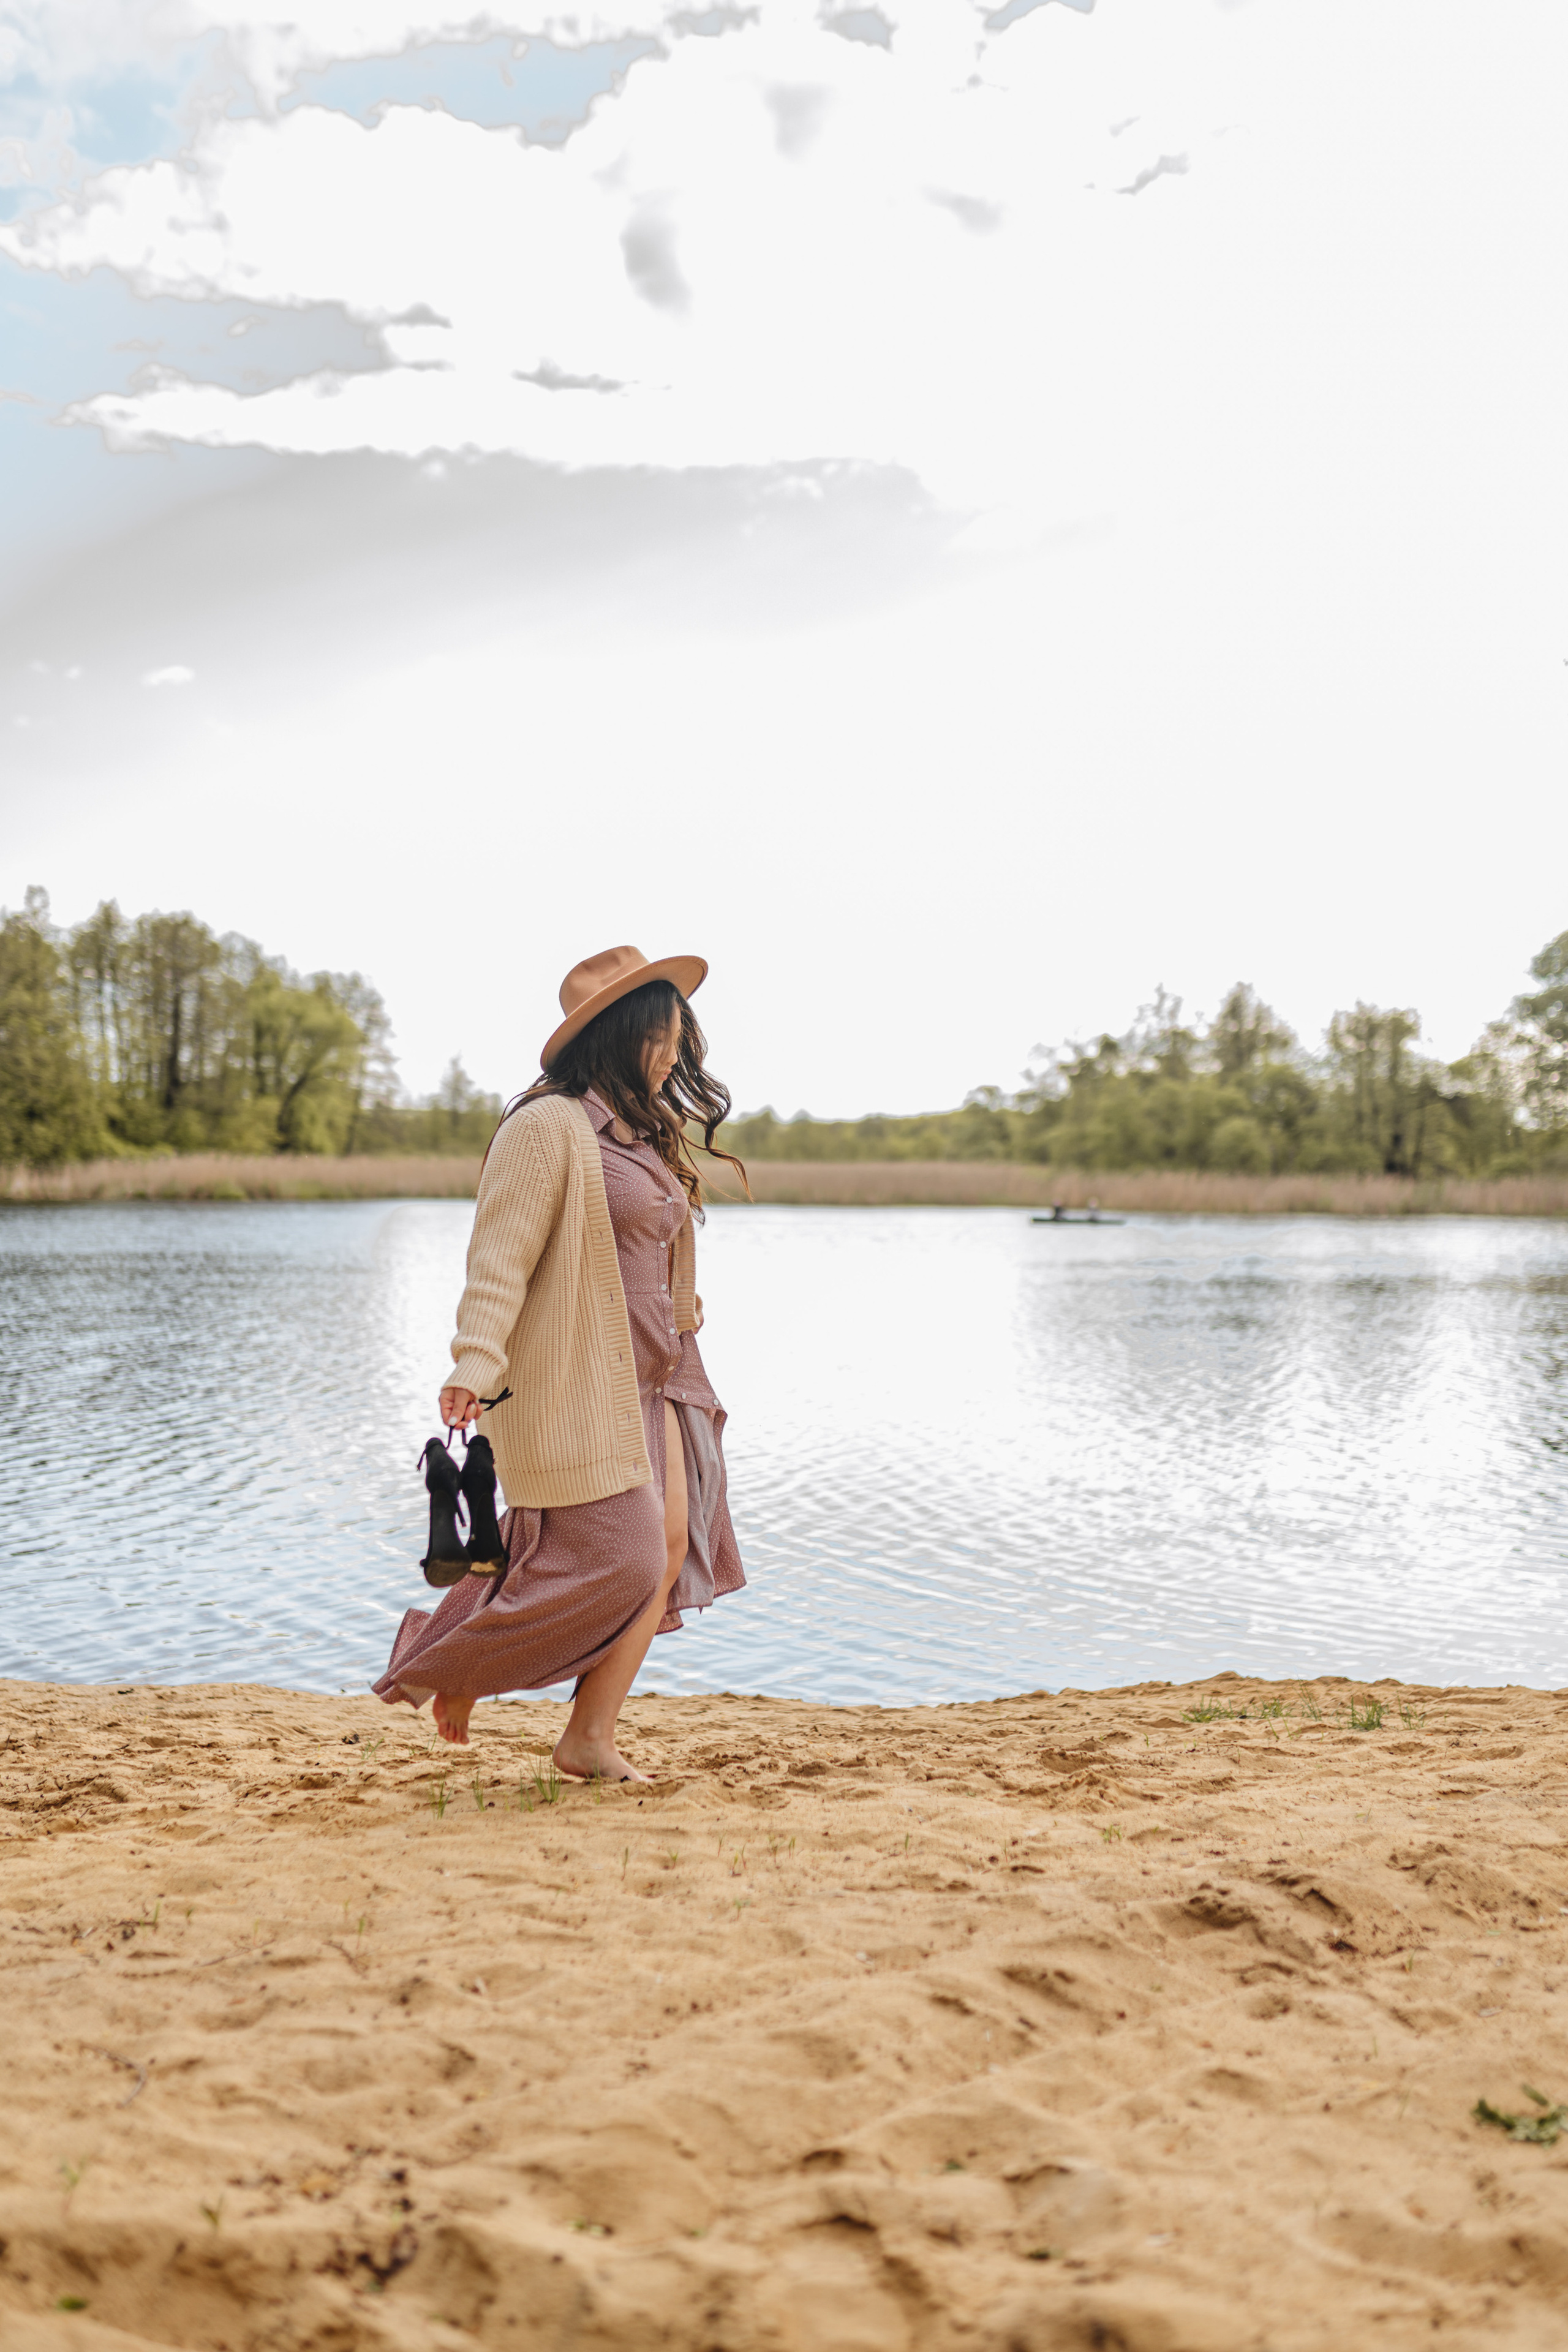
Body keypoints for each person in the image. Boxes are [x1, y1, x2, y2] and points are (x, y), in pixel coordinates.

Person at [374, 945, 747, 1780]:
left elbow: (651, 1247)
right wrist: (473, 1364)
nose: (673, 1057)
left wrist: (680, 1310)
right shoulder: (547, 1128)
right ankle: (447, 1665)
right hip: (586, 1385)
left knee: (668, 1556)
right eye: (660, 1039)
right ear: (617, 1036)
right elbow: (499, 1259)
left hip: (665, 1375)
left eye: (680, 1040)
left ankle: (589, 1737)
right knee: (620, 1558)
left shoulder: (646, 1135)